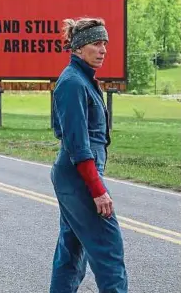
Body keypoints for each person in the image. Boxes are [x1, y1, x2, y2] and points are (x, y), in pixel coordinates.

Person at [50, 17, 128, 293]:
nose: (103, 50)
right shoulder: (73, 83)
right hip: (78, 177)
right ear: (79, 48)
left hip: (75, 175)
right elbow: (78, 145)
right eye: (97, 43)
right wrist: (97, 189)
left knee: (71, 250)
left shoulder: (82, 79)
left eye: (105, 43)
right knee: (109, 250)